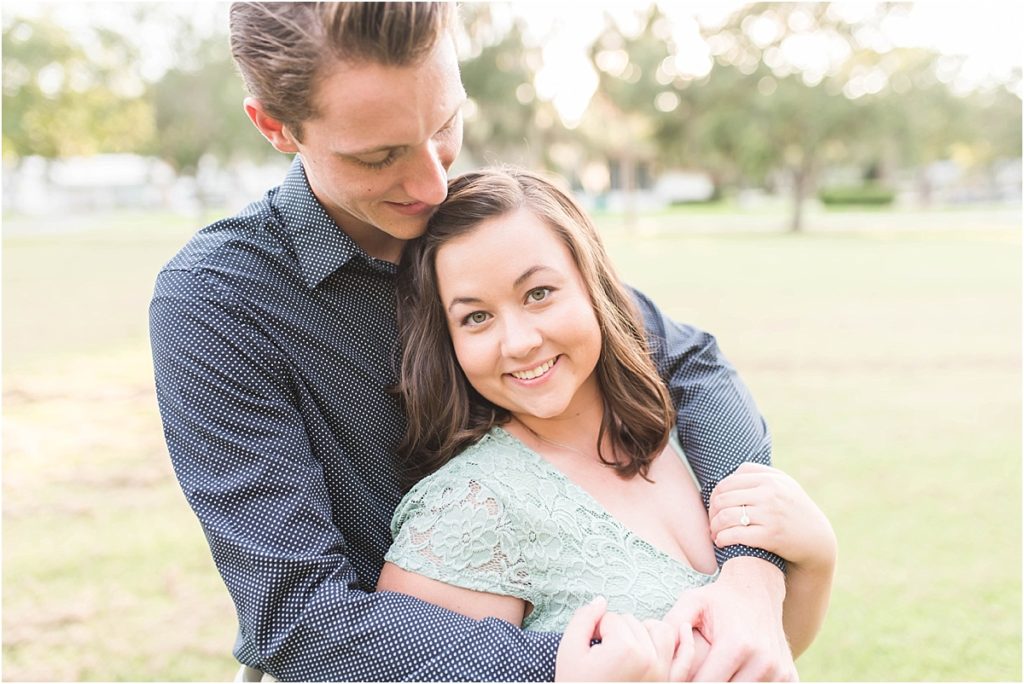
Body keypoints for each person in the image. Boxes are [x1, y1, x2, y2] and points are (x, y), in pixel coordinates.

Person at [150, 2, 795, 680]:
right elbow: (299, 617)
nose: (432, 182)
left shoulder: (477, 226)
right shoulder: (217, 302)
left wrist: (752, 575)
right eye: (380, 156)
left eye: (446, 124)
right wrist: (566, 666)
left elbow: (687, 361)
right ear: (275, 128)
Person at [378, 167, 837, 680]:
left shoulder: (682, 429)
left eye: (538, 294)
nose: (519, 341)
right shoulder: (466, 510)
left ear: (593, 285)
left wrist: (817, 558)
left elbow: (763, 655)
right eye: (476, 317)